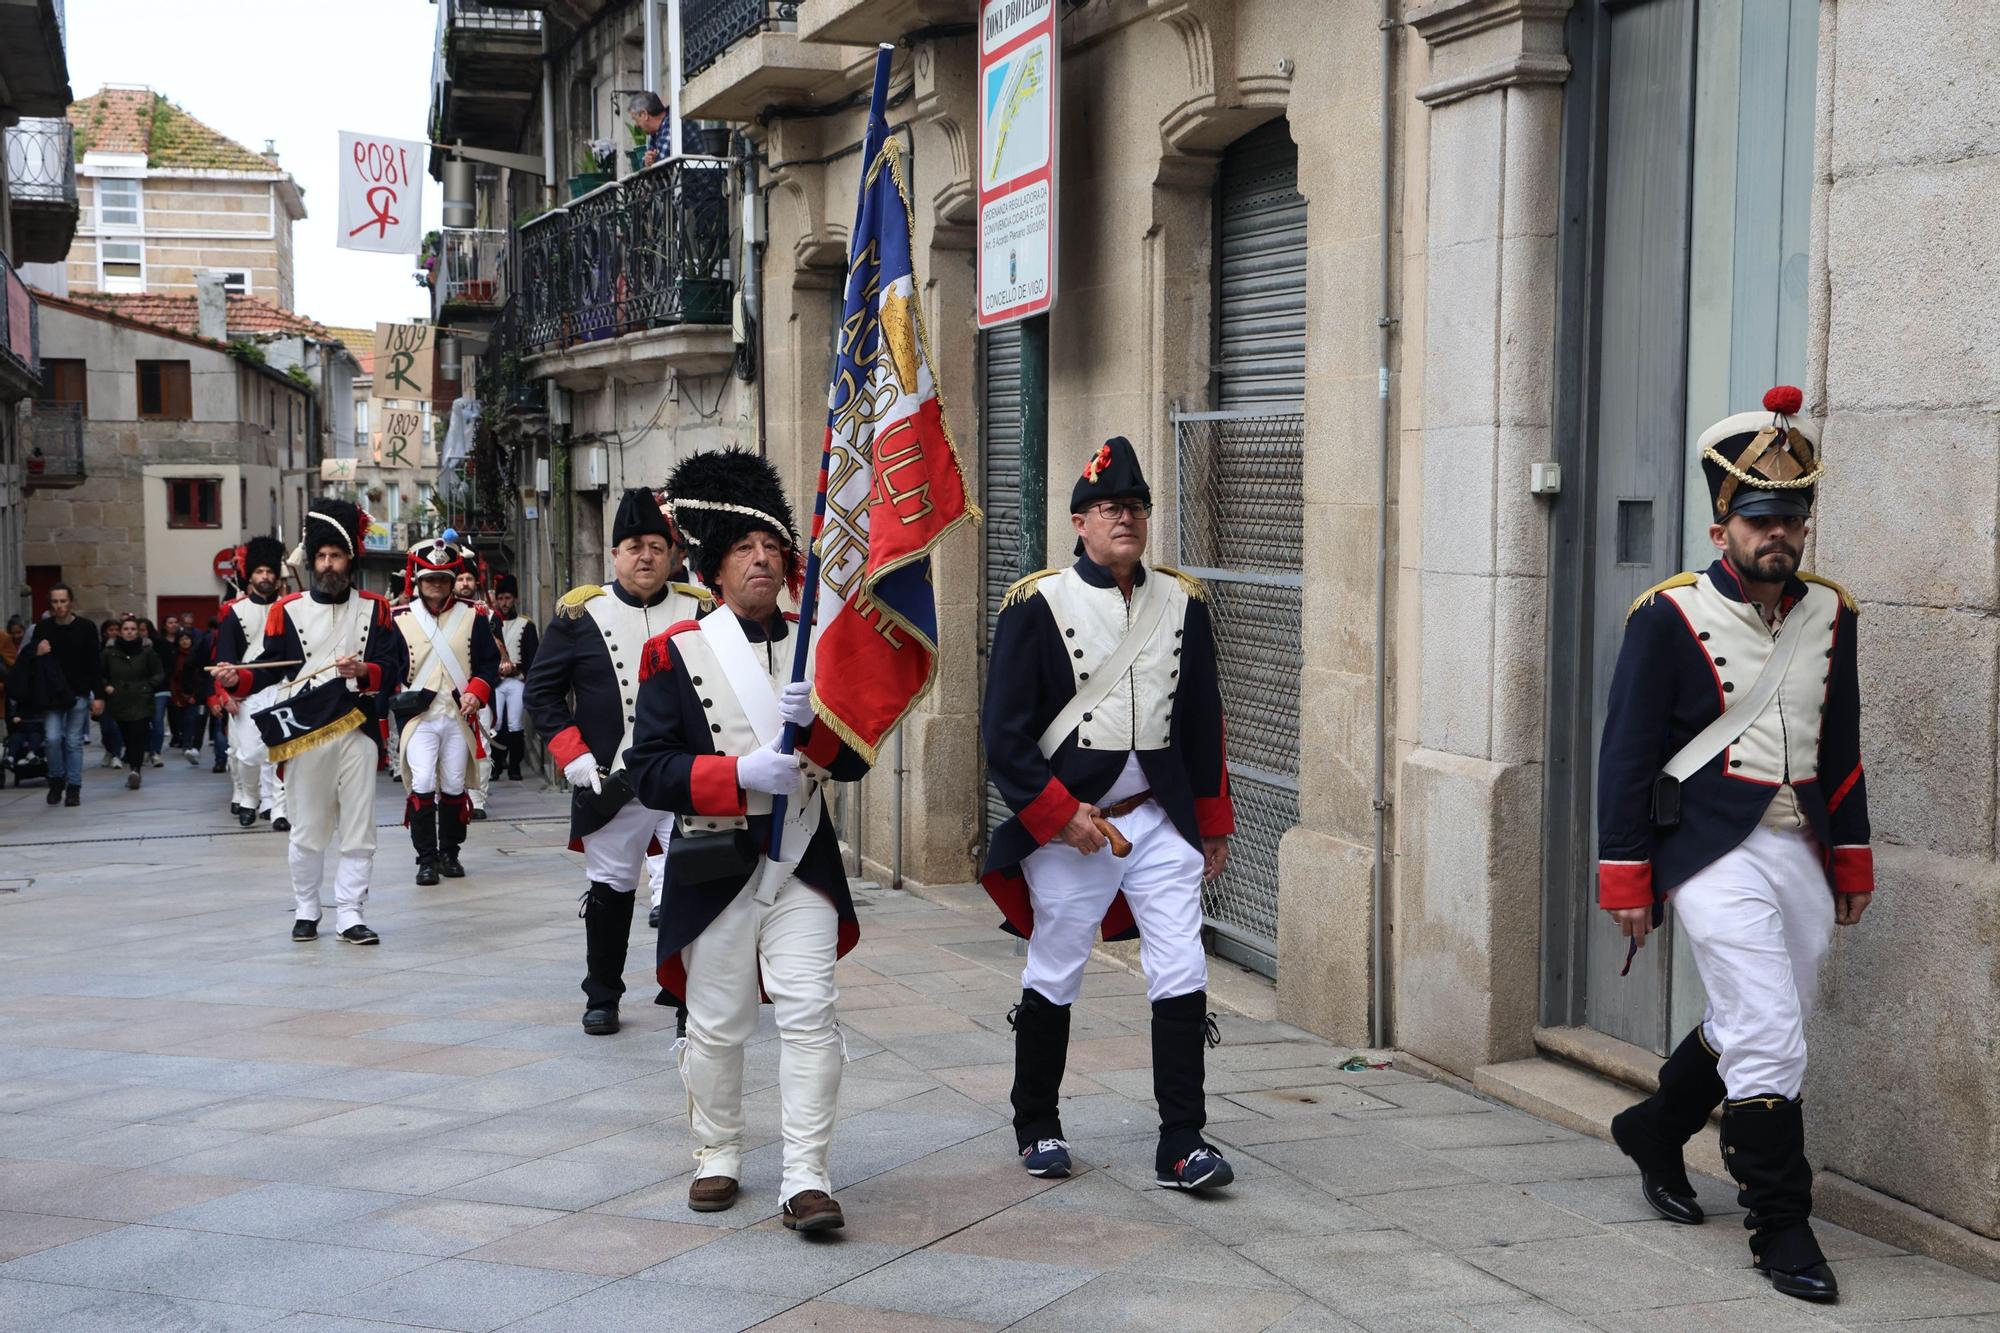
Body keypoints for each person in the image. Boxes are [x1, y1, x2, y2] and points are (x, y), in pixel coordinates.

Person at [1598, 387, 1872, 1305]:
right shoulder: (1667, 616)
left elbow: (1839, 744)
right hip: (1707, 847)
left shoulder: (1832, 614)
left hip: (1799, 844)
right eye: (1760, 517)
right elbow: (1627, 754)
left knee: (1767, 1008)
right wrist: (1626, 874)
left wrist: (1853, 854)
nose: (1779, 534)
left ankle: (1653, 1127)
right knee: (1768, 1030)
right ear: (1723, 525)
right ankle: (1780, 1224)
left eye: (1792, 517)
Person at [981, 436, 1237, 1192]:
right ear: (1079, 523)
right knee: (1057, 964)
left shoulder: (1181, 602)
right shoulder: (1037, 604)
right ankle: (1037, 1122)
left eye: (1134, 507)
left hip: (1158, 814)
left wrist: (1213, 817)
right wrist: (1060, 814)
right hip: (1073, 821)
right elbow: (1004, 734)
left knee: (1182, 962)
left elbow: (1202, 718)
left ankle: (1182, 1140)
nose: (1123, 518)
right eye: (1107, 508)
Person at [626, 448, 869, 1233]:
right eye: (742, 548)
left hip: (801, 859)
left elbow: (855, 760)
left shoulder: (817, 646)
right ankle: (719, 1151)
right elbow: (652, 772)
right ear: (717, 568)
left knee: (810, 1011)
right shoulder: (676, 652)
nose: (761, 559)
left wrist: (818, 730)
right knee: (719, 1020)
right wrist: (739, 771)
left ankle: (806, 1174)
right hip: (716, 858)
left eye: (771, 546)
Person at [525, 487, 713, 1036]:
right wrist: (574, 756)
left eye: (657, 545)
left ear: (673, 553)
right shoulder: (581, 612)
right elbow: (542, 695)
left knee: (694, 882)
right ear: (615, 555)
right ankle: (602, 994)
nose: (646, 557)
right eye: (634, 546)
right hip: (612, 778)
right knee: (610, 889)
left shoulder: (700, 608)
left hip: (687, 775)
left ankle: (688, 998)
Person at [215, 501, 404, 945]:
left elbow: (394, 667)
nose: (327, 564)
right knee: (307, 828)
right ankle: (306, 908)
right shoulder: (288, 609)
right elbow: (266, 666)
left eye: (335, 555)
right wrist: (236, 677)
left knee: (360, 830)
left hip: (357, 730)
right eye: (320, 556)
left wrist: (365, 673)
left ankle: (351, 913)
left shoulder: (376, 609)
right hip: (305, 734)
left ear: (349, 559)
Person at [392, 535, 499, 886]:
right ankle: (426, 859)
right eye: (429, 579)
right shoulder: (399, 618)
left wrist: (476, 693)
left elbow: (487, 663)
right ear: (418, 581)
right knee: (422, 781)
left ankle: (450, 853)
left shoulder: (473, 616)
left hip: (457, 714)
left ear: (452, 581)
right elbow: (391, 666)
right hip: (419, 717)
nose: (436, 585)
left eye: (442, 579)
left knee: (454, 784)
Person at [214, 538, 292, 830]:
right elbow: (225, 659)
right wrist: (226, 693)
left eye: (270, 572)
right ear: (251, 575)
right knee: (248, 753)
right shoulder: (235, 613)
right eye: (259, 572)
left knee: (281, 751)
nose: (265, 577)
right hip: (248, 689)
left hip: (282, 687)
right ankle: (249, 797)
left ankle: (280, 809)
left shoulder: (289, 609)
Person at [24, 584, 103, 806]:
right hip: (51, 694)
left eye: (63, 601)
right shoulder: (43, 628)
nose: (59, 606)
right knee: (52, 738)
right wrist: (36, 651)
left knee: (74, 741)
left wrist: (98, 695)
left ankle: (74, 787)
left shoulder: (86, 628)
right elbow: (28, 657)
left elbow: (94, 664)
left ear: (71, 602)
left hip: (77, 692)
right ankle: (57, 778)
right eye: (55, 602)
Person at [100, 616, 164, 790]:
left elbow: (158, 673)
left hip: (141, 699)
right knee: (126, 735)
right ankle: (131, 763)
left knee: (138, 734)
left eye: (133, 629)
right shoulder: (109, 653)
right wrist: (107, 686)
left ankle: (135, 770)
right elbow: (100, 673)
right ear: (120, 632)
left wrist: (147, 686)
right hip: (119, 699)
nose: (129, 632)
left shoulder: (147, 651)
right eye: (126, 629)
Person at [455, 563, 496, 821]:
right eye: (460, 578)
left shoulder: (483, 614)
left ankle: (477, 799)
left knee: (481, 748)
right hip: (443, 695)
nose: (465, 583)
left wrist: (478, 691)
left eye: (469, 578)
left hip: (476, 692)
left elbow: (490, 659)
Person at [491, 574, 538, 781]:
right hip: (496, 681)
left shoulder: (526, 625)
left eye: (508, 598)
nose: (504, 603)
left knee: (515, 724)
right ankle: (496, 764)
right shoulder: (490, 624)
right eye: (500, 598)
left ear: (515, 599)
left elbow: (532, 656)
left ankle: (515, 766)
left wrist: (524, 676)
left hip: (517, 680)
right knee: (495, 723)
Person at [170, 630, 209, 764]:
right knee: (183, 721)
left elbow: (199, 677)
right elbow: (174, 677)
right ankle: (185, 743)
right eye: (182, 639)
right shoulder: (175, 656)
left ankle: (191, 746)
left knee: (194, 719)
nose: (185, 642)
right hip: (179, 693)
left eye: (187, 639)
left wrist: (194, 694)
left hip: (196, 695)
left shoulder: (197, 655)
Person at [630, 92, 669, 167]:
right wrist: (647, 161)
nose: (636, 125)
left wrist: (652, 162)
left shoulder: (672, 124)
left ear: (644, 114)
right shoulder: (655, 132)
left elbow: (663, 167)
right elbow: (646, 162)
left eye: (635, 119)